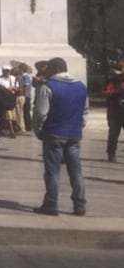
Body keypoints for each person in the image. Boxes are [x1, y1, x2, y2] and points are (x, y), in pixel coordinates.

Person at [32, 57, 88, 216]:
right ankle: (80, 204)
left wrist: (38, 131)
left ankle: (51, 203)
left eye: (48, 69)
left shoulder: (48, 86)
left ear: (56, 70)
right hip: (75, 134)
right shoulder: (81, 86)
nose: (46, 72)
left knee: (52, 170)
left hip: (54, 132)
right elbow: (85, 110)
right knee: (76, 170)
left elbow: (41, 112)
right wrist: (80, 125)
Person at [106, 59, 124, 163]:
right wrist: (118, 90)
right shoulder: (112, 81)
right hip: (115, 112)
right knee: (113, 134)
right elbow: (107, 93)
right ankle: (111, 153)